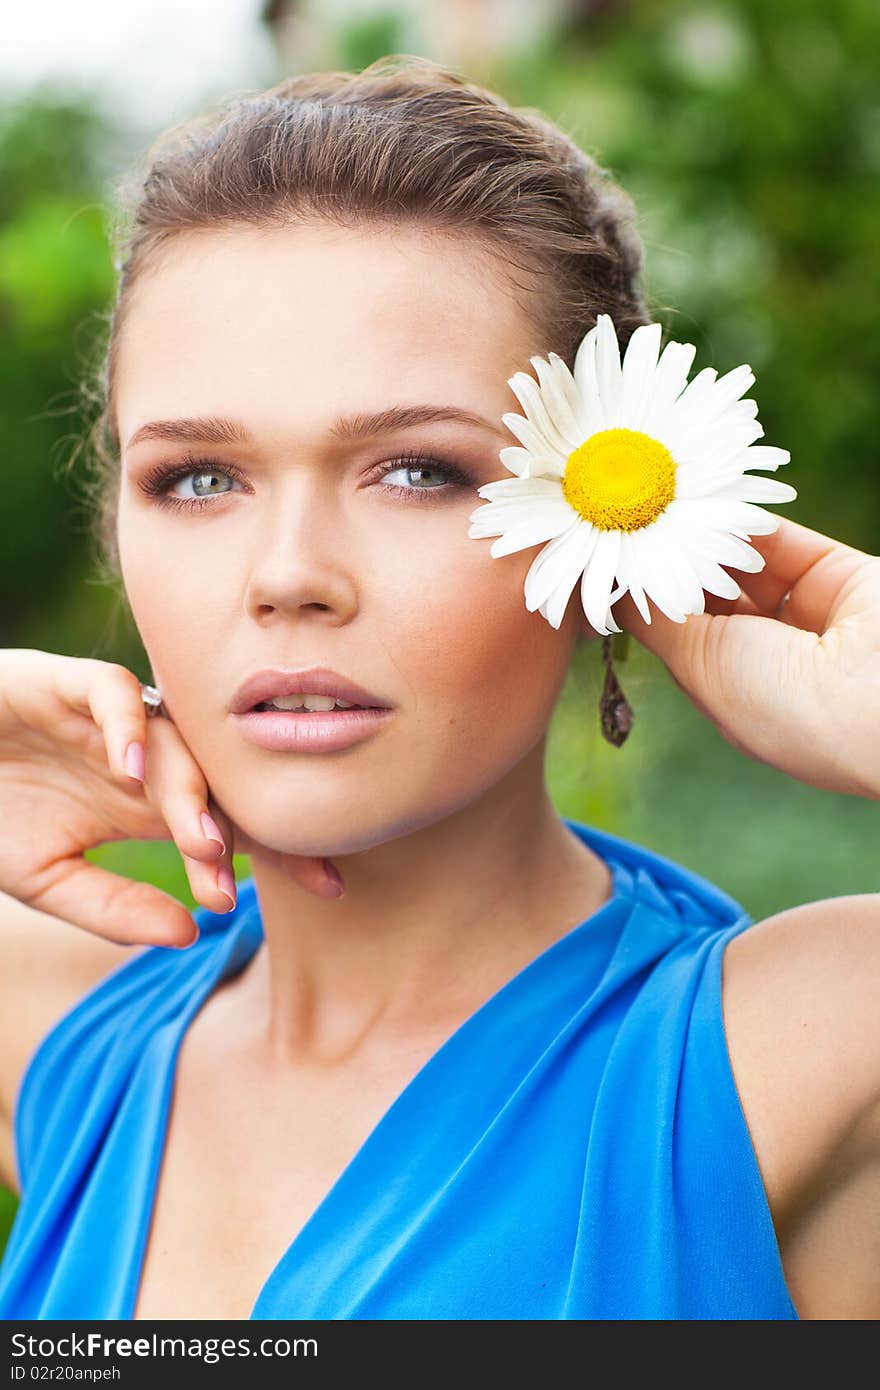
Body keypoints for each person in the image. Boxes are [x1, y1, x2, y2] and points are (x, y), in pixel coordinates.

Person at [0, 54, 877, 1322]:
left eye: (418, 472)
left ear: (599, 520)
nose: (289, 575)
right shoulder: (69, 1038)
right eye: (198, 478)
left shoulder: (794, 1049)